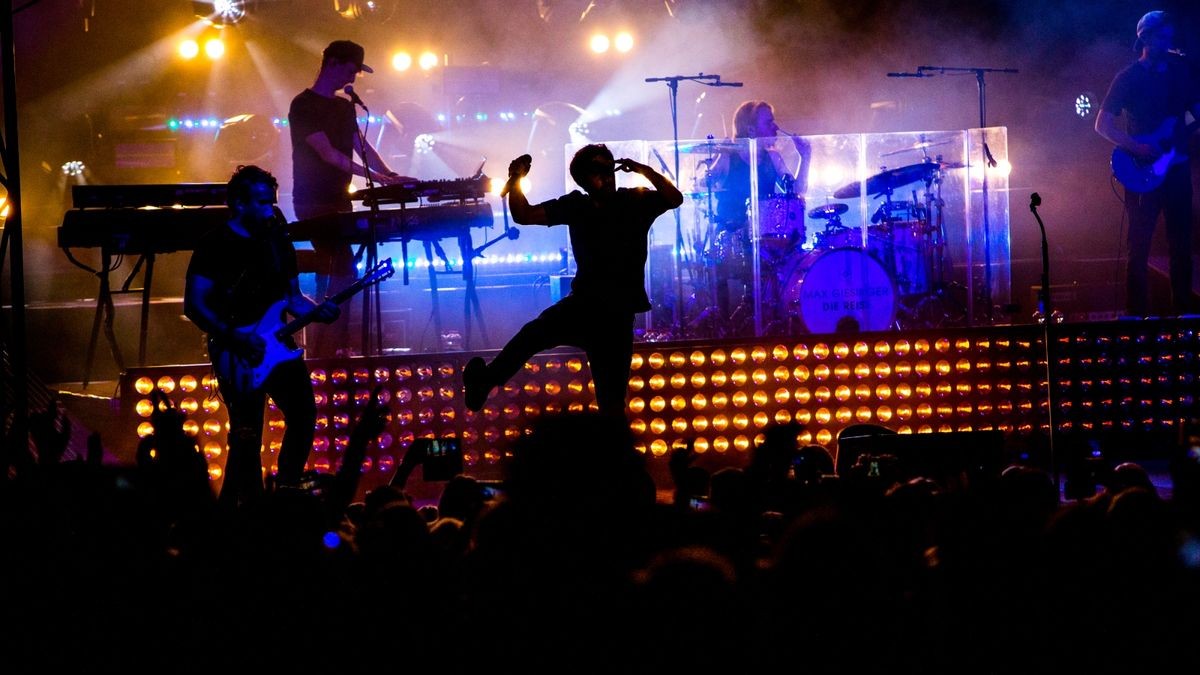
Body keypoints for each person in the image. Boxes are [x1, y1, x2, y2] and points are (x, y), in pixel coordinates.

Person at [462, 145, 683, 419]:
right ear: (584, 179)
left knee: (611, 401)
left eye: (608, 167)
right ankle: (485, 382)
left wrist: (645, 170)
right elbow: (524, 215)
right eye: (598, 170)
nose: (608, 175)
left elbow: (674, 198)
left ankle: (616, 451)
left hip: (617, 315)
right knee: (530, 336)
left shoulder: (633, 202)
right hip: (584, 307)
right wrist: (517, 180)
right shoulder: (577, 205)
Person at [184, 165, 341, 507]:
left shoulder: (277, 241)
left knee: (303, 414)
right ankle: (245, 507)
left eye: (272, 202)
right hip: (237, 350)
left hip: (279, 348)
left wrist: (318, 310)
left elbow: (294, 299)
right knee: (247, 433)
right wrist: (234, 337)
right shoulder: (215, 244)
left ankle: (285, 490)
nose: (270, 209)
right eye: (262, 203)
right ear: (239, 204)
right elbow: (194, 305)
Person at [288, 40, 413, 356]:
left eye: (357, 71)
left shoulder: (345, 107)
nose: (354, 77)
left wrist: (389, 174)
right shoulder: (303, 105)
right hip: (313, 201)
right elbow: (328, 154)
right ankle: (324, 347)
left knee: (342, 268)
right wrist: (378, 179)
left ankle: (332, 343)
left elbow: (360, 145)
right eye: (350, 69)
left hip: (339, 201)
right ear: (331, 62)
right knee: (343, 267)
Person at [1095, 11, 1200, 316]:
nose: (1168, 41)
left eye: (1169, 35)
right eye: (1161, 36)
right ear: (1144, 38)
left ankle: (1184, 314)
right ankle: (1136, 314)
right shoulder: (1128, 77)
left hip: (1176, 165)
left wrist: (1188, 126)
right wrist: (1138, 146)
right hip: (1141, 169)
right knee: (1138, 244)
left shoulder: (1181, 73)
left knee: (1181, 243)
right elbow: (1103, 125)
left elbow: (1194, 114)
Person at [709, 100, 812, 332]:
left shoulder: (772, 158)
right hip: (732, 237)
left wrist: (805, 158)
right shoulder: (728, 157)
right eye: (769, 122)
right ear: (751, 129)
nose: (775, 127)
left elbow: (796, 191)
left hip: (765, 239)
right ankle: (725, 327)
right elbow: (703, 185)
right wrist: (715, 160)